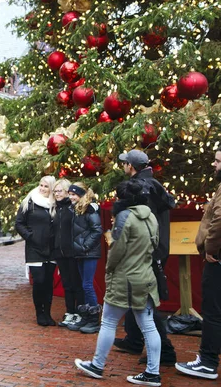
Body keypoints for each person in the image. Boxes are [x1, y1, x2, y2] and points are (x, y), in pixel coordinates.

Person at [75, 179, 162, 387]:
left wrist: (109, 269)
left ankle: (97, 365)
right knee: (149, 326)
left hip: (124, 278)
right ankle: (153, 372)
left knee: (109, 322)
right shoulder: (151, 216)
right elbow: (156, 243)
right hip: (146, 277)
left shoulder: (125, 216)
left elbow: (116, 250)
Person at [114, 150, 177, 366]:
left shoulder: (144, 187)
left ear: (131, 166)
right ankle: (133, 339)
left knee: (145, 303)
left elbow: (143, 222)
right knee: (137, 298)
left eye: (125, 164)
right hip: (154, 249)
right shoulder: (151, 184)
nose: (123, 166)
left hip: (148, 252)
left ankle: (166, 352)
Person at [175, 149, 221, 380]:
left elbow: (220, 220)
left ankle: (207, 362)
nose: (214, 164)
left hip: (217, 260)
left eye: (218, 161)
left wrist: (211, 249)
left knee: (212, 312)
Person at [15, 176, 56, 326]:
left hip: (51, 249)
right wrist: (29, 236)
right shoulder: (29, 202)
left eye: (46, 186)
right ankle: (39, 313)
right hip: (34, 248)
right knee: (39, 281)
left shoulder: (55, 204)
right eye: (41, 185)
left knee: (48, 282)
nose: (42, 188)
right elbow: (19, 223)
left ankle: (48, 313)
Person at [66, 182, 103, 334]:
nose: (71, 197)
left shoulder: (90, 209)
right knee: (83, 284)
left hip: (88, 252)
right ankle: (87, 316)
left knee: (87, 284)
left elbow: (97, 230)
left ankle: (94, 319)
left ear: (81, 195)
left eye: (73, 194)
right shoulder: (76, 210)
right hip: (81, 252)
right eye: (70, 194)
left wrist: (85, 246)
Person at [52, 178, 84, 327]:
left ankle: (79, 313)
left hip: (72, 252)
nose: (57, 194)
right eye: (55, 191)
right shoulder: (56, 209)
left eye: (60, 191)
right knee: (66, 284)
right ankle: (69, 311)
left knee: (76, 283)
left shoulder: (72, 209)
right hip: (59, 252)